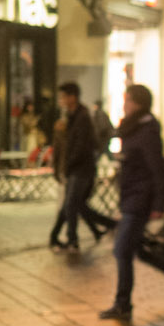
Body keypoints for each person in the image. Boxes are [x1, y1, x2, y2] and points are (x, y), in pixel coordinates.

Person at [98, 84, 164, 321]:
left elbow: (157, 168)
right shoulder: (133, 128)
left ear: (138, 103)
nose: (124, 105)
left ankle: (123, 303)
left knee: (121, 249)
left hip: (140, 198)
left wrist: (159, 203)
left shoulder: (146, 130)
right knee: (141, 251)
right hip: (130, 195)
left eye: (127, 100)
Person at [50, 82, 114, 251]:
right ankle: (58, 236)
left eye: (63, 96)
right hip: (75, 167)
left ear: (73, 97)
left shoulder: (83, 117)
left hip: (81, 168)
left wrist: (68, 164)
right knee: (74, 204)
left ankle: (72, 239)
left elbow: (81, 145)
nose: (61, 100)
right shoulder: (69, 116)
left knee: (72, 204)